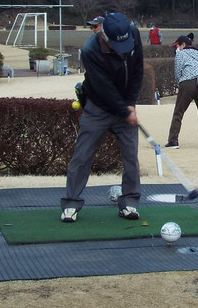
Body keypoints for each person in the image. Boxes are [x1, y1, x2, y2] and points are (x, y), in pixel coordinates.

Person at [60, 12, 144, 223]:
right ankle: (71, 203)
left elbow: (137, 71)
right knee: (82, 155)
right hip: (98, 107)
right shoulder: (90, 50)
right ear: (103, 34)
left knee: (131, 157)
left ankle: (130, 203)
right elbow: (104, 89)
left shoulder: (132, 33)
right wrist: (126, 111)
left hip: (125, 105)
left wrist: (131, 104)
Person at [166, 34, 198, 150]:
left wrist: (180, 83)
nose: (177, 48)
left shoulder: (180, 54)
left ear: (183, 44)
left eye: (178, 45)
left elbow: (178, 71)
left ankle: (173, 140)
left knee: (178, 112)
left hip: (187, 83)